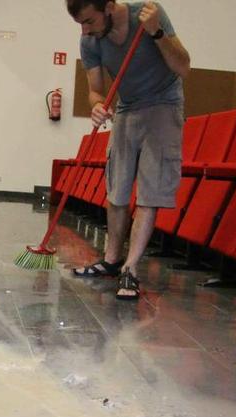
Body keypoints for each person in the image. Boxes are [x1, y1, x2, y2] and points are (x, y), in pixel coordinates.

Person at [66, 0, 190, 300]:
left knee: (149, 193)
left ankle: (130, 269)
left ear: (108, 6)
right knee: (117, 189)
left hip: (163, 104)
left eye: (90, 21)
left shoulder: (147, 14)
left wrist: (157, 32)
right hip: (126, 108)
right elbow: (95, 89)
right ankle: (111, 261)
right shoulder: (90, 40)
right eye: (80, 24)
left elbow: (183, 67)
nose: (85, 30)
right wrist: (96, 105)